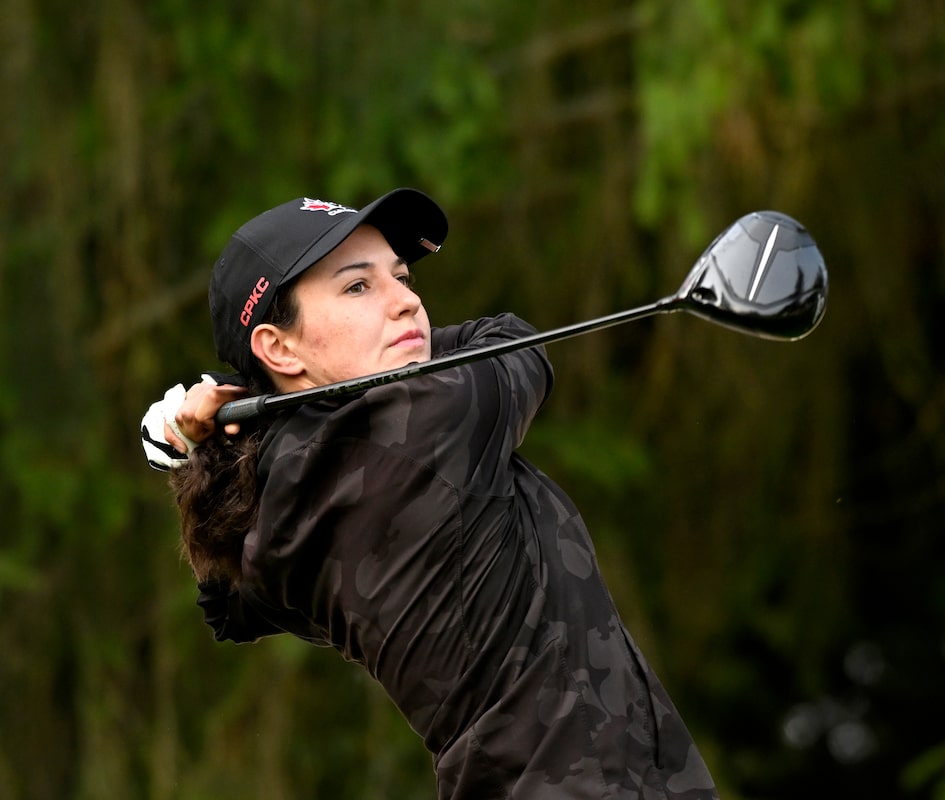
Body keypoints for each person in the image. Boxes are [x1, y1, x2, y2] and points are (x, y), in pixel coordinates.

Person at [140, 188, 719, 799]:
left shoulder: (278, 511)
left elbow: (228, 608)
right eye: (358, 287)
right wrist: (232, 410)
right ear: (279, 348)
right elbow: (513, 341)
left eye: (402, 276)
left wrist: (198, 443)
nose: (408, 302)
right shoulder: (424, 424)